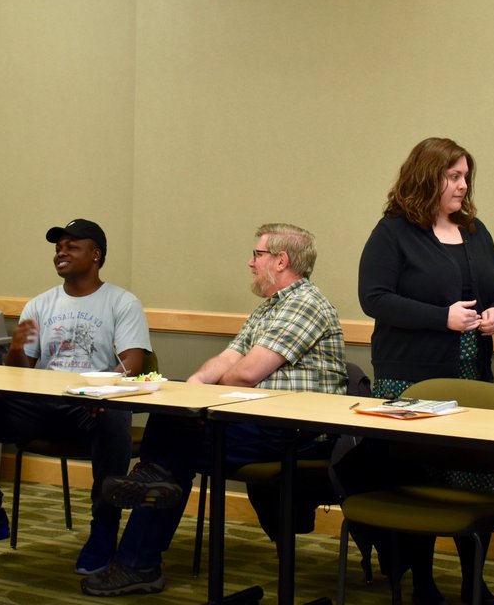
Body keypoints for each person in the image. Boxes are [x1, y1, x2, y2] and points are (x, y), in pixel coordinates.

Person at [79, 223, 347, 597]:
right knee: (173, 434)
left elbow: (245, 375)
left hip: (294, 433)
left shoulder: (305, 303)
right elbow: (226, 359)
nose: (250, 262)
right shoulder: (269, 309)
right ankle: (148, 501)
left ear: (282, 261)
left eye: (258, 254)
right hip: (257, 423)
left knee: (173, 450)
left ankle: (140, 552)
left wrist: (199, 402)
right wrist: (191, 392)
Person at [352, 137, 494, 604]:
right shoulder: (393, 232)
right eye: (454, 176)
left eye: (465, 176)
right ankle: (421, 584)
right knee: (417, 486)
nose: (463, 185)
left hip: (472, 375)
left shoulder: (476, 231)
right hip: (410, 376)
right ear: (428, 177)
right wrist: (441, 317)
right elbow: (374, 298)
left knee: (472, 481)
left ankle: (473, 584)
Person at [0, 218, 151, 577]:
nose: (61, 252)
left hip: (90, 406)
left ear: (95, 254)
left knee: (113, 418)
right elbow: (19, 373)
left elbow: (132, 366)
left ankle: (104, 528)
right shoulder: (41, 304)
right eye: (58, 247)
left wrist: (98, 394)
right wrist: (15, 347)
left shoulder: (122, 302)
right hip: (40, 405)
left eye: (72, 246)